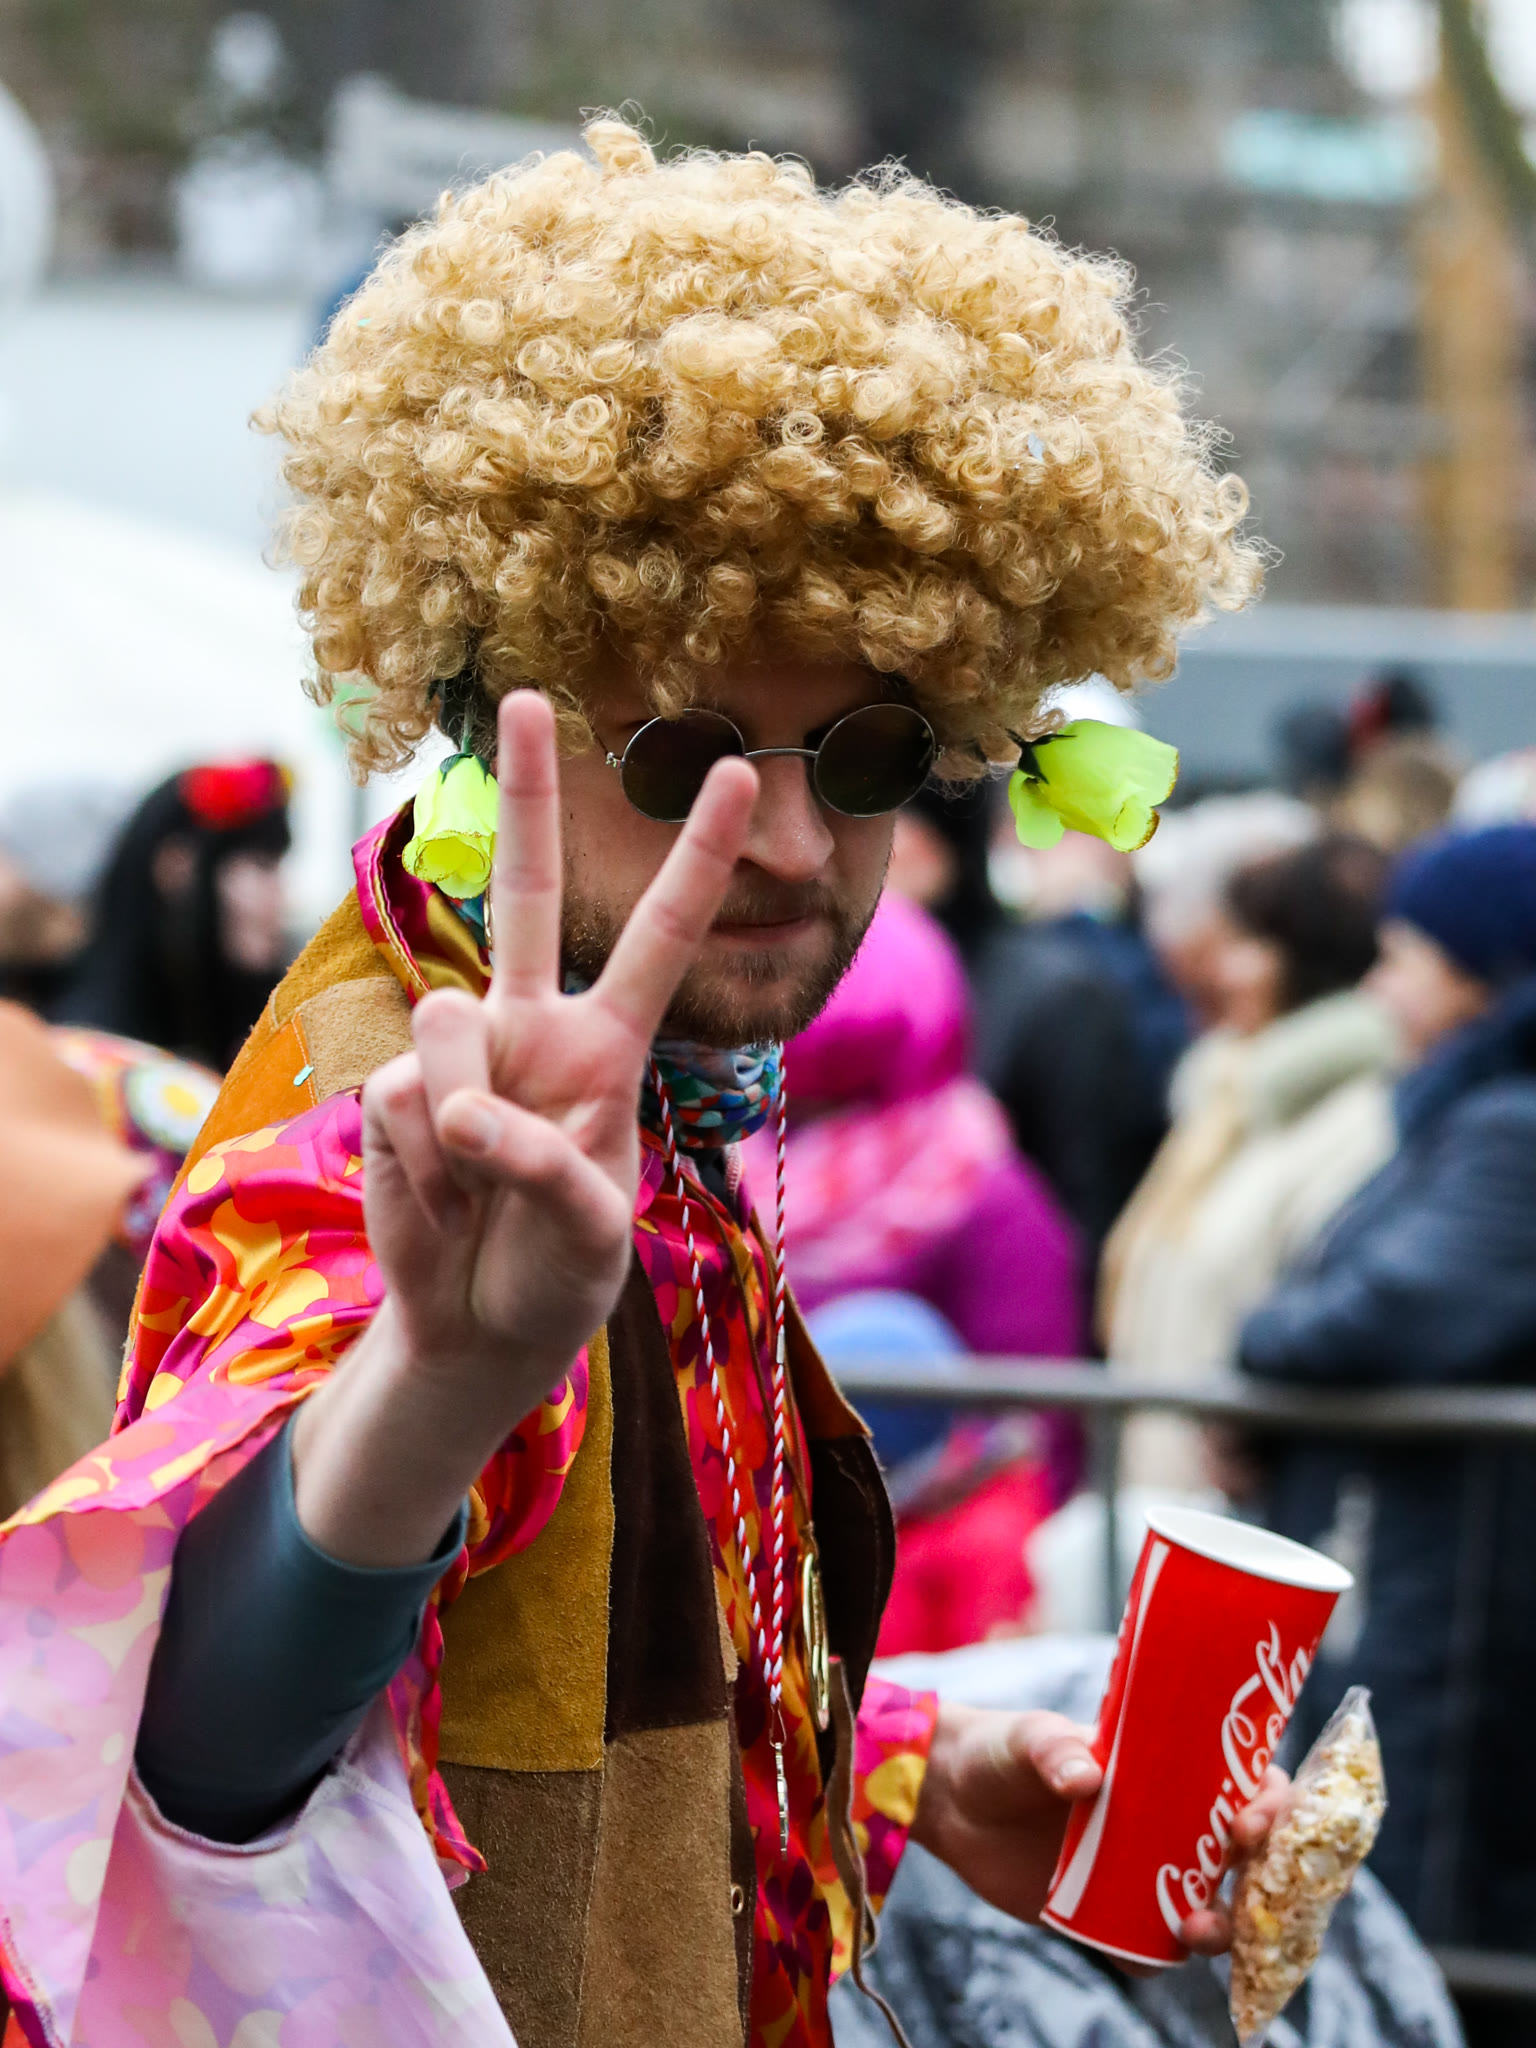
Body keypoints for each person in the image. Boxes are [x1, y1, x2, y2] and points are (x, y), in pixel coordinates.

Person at [0, 119, 1278, 2048]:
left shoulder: (673, 1086)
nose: (785, 839)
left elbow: (593, 1670)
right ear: (480, 709)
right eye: (682, 753)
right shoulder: (400, 1110)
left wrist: (902, 1769)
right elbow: (191, 1748)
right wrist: (444, 1377)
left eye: (867, 749)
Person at [1240, 824, 1536, 1982]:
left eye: (1406, 955)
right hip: (1437, 1564)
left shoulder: (1510, 1130)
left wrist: (1258, 1345)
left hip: (1466, 1579)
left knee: (1428, 1881)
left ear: (1485, 971)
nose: (1379, 986)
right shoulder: (1470, 1111)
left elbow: (1388, 1310)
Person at [741, 891, 1082, 1653]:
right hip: (768, 1559)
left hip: (930, 1577)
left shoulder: (978, 1188)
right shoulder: (731, 1162)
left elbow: (1036, 1422)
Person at [1102, 835, 1394, 1493]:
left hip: (1233, 1514)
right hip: (1161, 1496)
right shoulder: (1228, 1102)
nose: (1223, 970)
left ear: (1313, 960)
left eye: (1252, 943)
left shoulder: (1357, 1126)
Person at [60, 757, 292, 1072]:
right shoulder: (90, 1053)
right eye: (262, 865)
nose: (282, 897)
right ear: (177, 868)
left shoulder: (273, 1031)